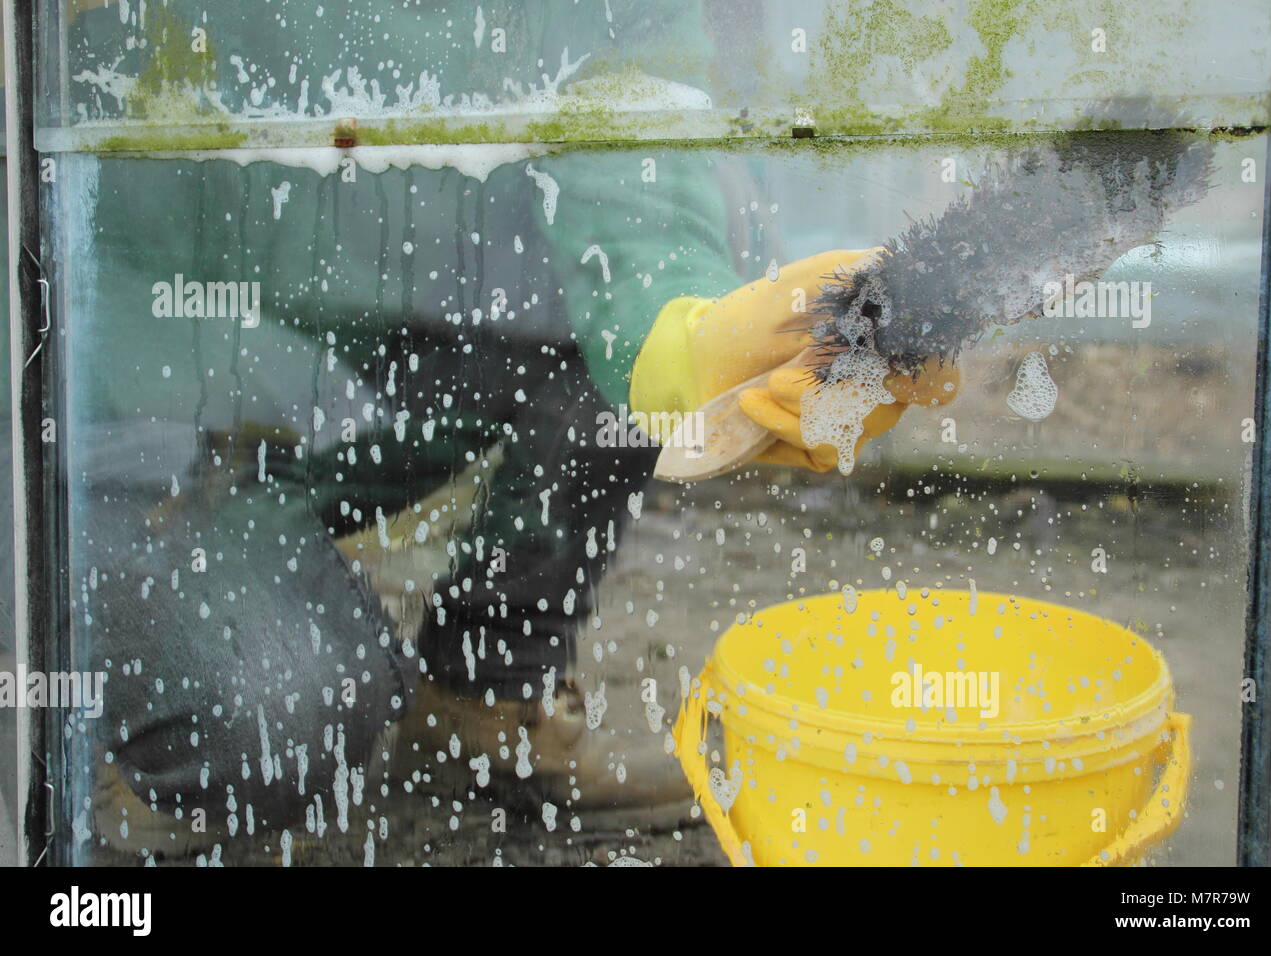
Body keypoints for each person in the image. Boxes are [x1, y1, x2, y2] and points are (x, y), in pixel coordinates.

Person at [60, 1, 952, 860]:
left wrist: (697, 347)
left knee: (617, 362)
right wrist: (178, 422)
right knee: (278, 714)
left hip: (393, 394)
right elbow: (85, 243)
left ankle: (480, 698)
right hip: (155, 427)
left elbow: (635, 206)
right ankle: (144, 746)